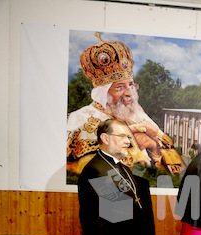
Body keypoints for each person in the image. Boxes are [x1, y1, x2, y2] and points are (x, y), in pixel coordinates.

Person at [67, 32, 183, 180]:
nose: (129, 93)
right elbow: (94, 171)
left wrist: (154, 147)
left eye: (131, 85)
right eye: (120, 87)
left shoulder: (137, 114)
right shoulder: (82, 120)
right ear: (103, 93)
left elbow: (176, 169)